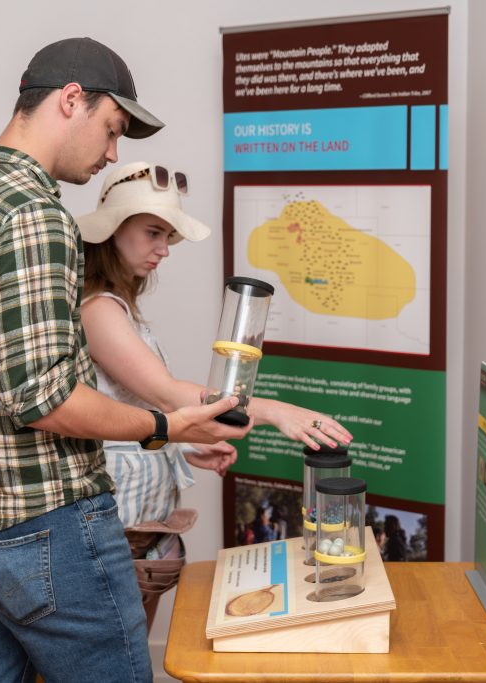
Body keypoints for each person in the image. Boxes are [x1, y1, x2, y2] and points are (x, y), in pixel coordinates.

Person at [0, 38, 251, 683]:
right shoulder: (34, 213)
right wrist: (167, 427)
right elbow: (47, 401)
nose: (113, 154)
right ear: (70, 101)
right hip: (38, 526)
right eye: (112, 130)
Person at [74, 161, 352, 626]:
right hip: (113, 530)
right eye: (152, 233)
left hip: (135, 528)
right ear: (111, 230)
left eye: (169, 237)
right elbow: (165, 394)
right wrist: (274, 411)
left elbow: (127, 416)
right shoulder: (99, 310)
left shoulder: (118, 307)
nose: (163, 249)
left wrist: (181, 447)